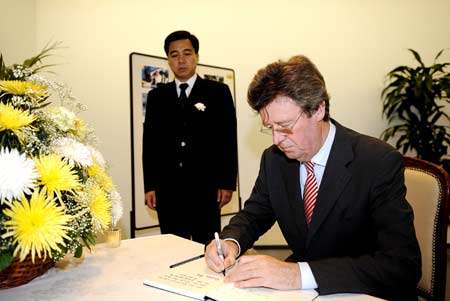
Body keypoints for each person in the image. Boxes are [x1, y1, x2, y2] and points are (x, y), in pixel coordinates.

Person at [205, 55, 421, 300]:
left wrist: (297, 275)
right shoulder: (275, 160)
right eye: (270, 127)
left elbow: (402, 266)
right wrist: (230, 242)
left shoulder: (376, 161)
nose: (276, 140)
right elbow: (255, 214)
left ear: (319, 109)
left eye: (285, 126)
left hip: (362, 292)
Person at [142, 30, 238, 244]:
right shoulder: (157, 97)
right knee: (172, 245)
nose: (181, 60)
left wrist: (227, 183)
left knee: (207, 245)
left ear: (196, 56)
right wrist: (150, 185)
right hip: (168, 188)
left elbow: (227, 140)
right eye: (174, 55)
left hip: (206, 186)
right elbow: (150, 144)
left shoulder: (218, 92)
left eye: (187, 53)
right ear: (168, 59)